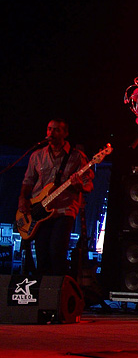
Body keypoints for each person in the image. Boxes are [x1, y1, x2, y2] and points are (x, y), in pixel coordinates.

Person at [18, 118, 94, 276]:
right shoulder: (37, 155)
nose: (51, 132)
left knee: (57, 251)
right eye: (49, 129)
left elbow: (88, 185)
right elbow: (28, 181)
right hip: (39, 210)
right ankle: (44, 293)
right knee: (42, 253)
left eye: (56, 129)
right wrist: (23, 199)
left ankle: (59, 292)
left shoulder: (76, 157)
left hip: (64, 210)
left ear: (65, 133)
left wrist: (78, 185)